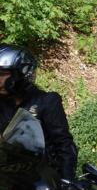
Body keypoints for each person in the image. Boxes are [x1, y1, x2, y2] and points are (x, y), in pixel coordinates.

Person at [0, 44, 77, 179]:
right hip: (8, 180)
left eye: (2, 74)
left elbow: (64, 145)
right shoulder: (2, 104)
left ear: (21, 74)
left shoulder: (47, 102)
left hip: (43, 181)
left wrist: (67, 181)